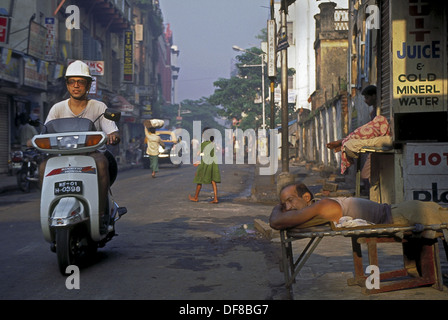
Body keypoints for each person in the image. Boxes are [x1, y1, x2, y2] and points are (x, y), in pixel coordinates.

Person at [40, 60, 120, 220]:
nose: (76, 86)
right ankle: (48, 208)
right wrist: (34, 140)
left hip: (91, 154)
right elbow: (45, 131)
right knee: (43, 167)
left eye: (81, 82)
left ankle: (100, 212)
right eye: (72, 82)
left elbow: (113, 131)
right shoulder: (57, 108)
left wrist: (113, 136)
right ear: (67, 85)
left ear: (89, 85)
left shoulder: (99, 107)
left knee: (102, 163)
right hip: (63, 156)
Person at [269, 183, 448, 234]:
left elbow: (276, 222)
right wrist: (283, 206)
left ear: (306, 197)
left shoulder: (322, 206)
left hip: (406, 213)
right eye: (284, 204)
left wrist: (278, 208)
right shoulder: (318, 206)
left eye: (290, 201)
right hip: (400, 212)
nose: (288, 207)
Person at [326, 85, 392, 174]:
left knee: (367, 174)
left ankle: (342, 141)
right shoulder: (373, 111)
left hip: (380, 138)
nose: (365, 100)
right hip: (375, 138)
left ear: (374, 96)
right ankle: (343, 141)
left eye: (367, 98)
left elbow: (377, 128)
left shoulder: (381, 111)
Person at [189, 128, 221, 203]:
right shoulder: (213, 144)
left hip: (205, 163)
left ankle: (196, 197)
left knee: (199, 179)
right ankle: (215, 198)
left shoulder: (203, 144)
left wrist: (198, 161)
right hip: (213, 163)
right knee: (213, 181)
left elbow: (198, 154)